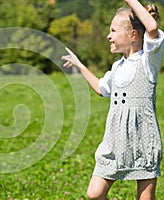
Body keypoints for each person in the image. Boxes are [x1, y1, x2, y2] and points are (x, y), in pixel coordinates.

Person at [61, 0, 164, 199]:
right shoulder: (117, 67)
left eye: (114, 30)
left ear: (133, 35)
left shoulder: (148, 61)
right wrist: (80, 66)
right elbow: (101, 88)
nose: (109, 36)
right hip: (114, 141)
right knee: (94, 193)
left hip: (142, 139)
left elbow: (152, 27)